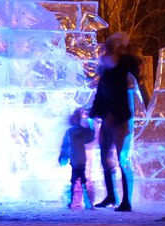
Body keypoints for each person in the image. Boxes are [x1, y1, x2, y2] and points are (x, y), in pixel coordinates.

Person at [89, 32, 150, 212]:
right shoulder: (107, 68)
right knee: (104, 156)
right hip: (107, 115)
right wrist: (96, 111)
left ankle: (126, 201)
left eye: (109, 47)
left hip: (119, 116)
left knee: (122, 158)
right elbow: (101, 91)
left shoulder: (122, 63)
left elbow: (134, 65)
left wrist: (122, 50)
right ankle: (111, 196)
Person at [59, 107, 96, 209]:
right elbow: (90, 137)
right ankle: (86, 202)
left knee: (76, 180)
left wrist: (63, 157)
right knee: (80, 180)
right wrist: (91, 124)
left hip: (76, 158)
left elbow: (65, 145)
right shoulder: (78, 131)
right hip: (78, 158)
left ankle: (76, 202)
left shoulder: (71, 131)